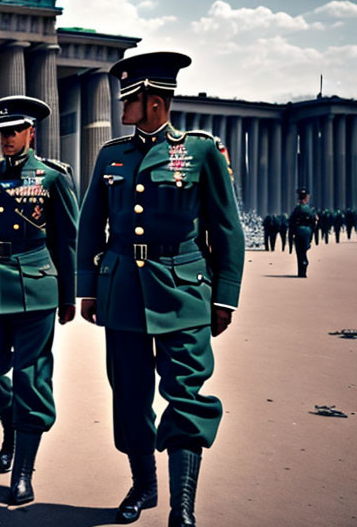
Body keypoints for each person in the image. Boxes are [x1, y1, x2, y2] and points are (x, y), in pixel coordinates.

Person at [77, 52, 245, 527]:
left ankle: (182, 506)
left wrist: (224, 295)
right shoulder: (111, 154)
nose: (122, 107)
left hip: (184, 290)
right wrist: (88, 289)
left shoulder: (201, 151)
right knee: (129, 397)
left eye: (129, 99)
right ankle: (144, 486)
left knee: (187, 396)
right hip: (123, 291)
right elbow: (92, 224)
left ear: (154, 102)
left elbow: (226, 228)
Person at [0, 95, 78, 505]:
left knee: (30, 378)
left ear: (31, 133)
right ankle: (10, 422)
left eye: (13, 132)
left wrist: (68, 295)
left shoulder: (53, 178)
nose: (6, 139)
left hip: (36, 287)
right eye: (1, 133)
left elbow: (68, 240)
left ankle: (23, 472)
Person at [289, 188, 317, 278]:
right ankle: (304, 266)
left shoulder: (297, 209)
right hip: (307, 231)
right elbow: (314, 222)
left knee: (299, 252)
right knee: (304, 251)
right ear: (306, 198)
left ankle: (301, 271)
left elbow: (291, 222)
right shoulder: (309, 210)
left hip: (298, 231)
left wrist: (290, 236)